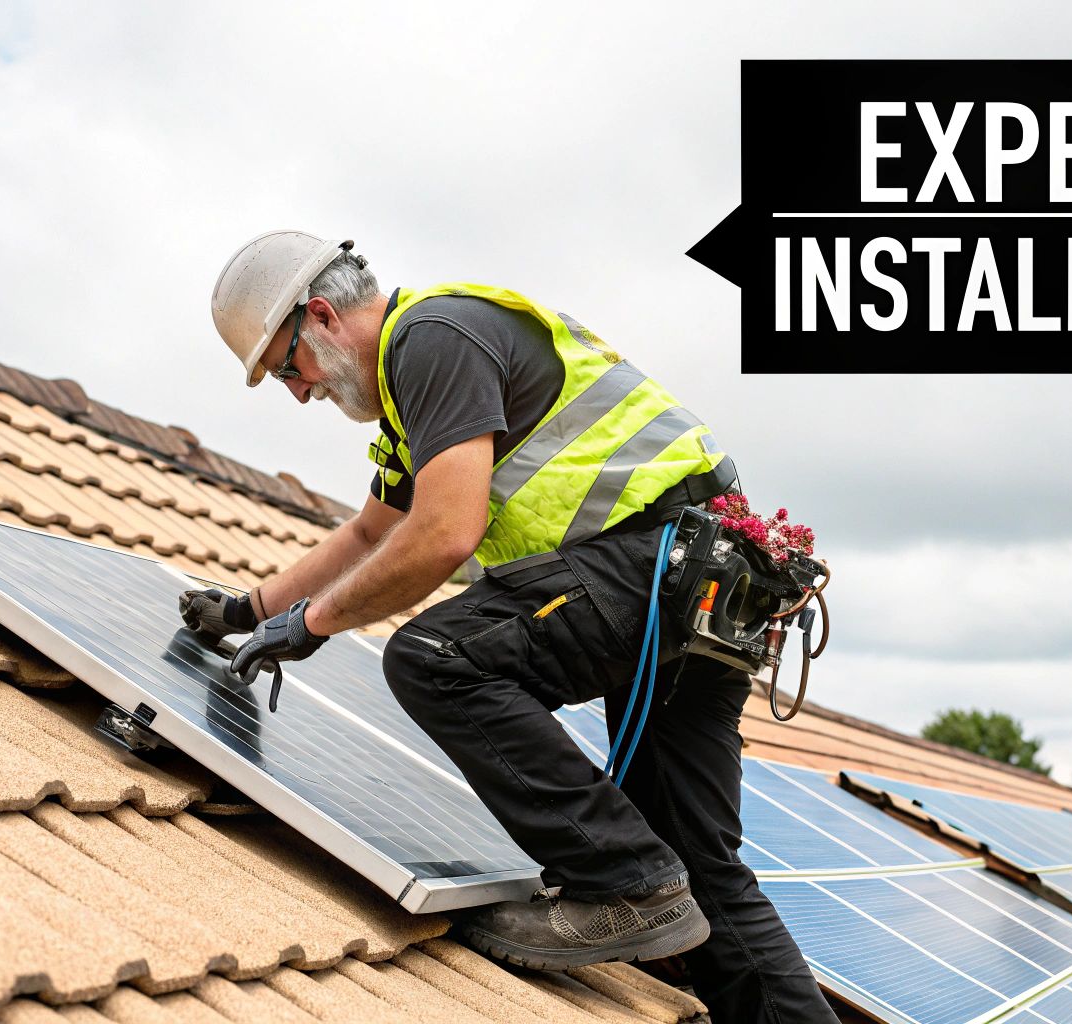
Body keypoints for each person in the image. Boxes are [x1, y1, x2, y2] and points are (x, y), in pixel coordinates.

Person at [184, 230, 835, 1022]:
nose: (298, 391)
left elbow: (443, 534)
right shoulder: (410, 403)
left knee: (435, 655)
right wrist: (252, 610)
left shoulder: (432, 341)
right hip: (707, 598)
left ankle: (627, 885)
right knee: (703, 871)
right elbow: (368, 535)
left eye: (289, 367)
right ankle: (654, 887)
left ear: (320, 315)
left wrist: (312, 625)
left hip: (661, 566)